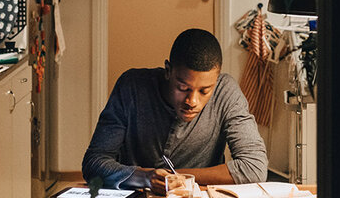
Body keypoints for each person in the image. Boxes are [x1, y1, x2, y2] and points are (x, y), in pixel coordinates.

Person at [83, 28, 268, 191]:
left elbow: (254, 167)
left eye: (204, 91)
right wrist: (146, 178)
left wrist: (177, 177)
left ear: (217, 79)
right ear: (168, 71)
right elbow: (94, 162)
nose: (192, 101)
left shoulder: (225, 91)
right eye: (183, 88)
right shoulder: (131, 87)